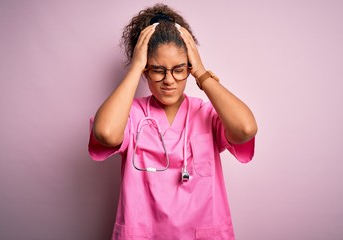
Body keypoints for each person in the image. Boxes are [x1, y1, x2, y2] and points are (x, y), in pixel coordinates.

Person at [88, 3, 257, 240]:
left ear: (189, 67)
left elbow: (246, 129)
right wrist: (136, 66)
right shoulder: (132, 115)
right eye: (157, 70)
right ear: (146, 71)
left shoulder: (207, 113)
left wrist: (202, 73)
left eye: (179, 69)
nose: (169, 80)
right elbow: (105, 133)